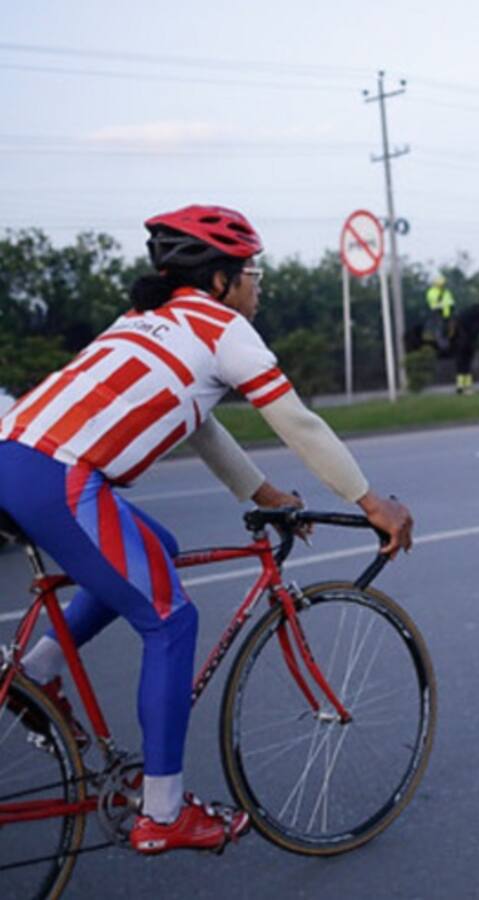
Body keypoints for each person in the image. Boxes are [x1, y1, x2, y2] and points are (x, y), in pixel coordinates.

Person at [0, 205, 413, 855]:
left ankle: (37, 674)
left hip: (15, 457)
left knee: (154, 551)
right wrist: (370, 502)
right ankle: (162, 815)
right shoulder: (224, 329)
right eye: (252, 271)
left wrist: (264, 491)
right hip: (59, 476)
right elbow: (300, 425)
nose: (259, 284)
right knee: (170, 619)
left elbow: (199, 422)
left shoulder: (146, 321)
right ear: (220, 281)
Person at [425, 273, 455, 351]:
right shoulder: (431, 292)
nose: (442, 286)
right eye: (440, 284)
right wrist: (445, 303)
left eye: (443, 284)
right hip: (437, 313)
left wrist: (450, 304)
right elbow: (434, 303)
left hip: (448, 314)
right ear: (436, 284)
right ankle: (443, 346)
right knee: (440, 329)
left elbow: (451, 301)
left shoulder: (446, 292)